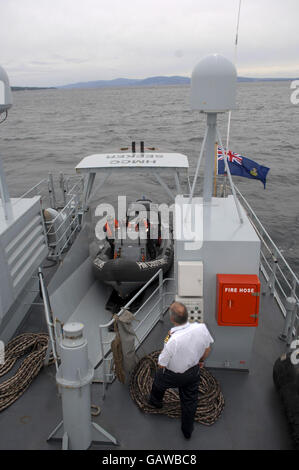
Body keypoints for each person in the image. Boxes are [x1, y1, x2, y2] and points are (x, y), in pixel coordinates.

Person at [148, 301, 214, 439]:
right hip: (193, 372)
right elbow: (207, 349)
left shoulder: (172, 340)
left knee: (158, 382)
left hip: (172, 375)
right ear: (187, 316)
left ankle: (156, 402)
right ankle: (187, 431)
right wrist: (200, 361)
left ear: (172, 319)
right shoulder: (201, 328)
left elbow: (162, 363)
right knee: (190, 402)